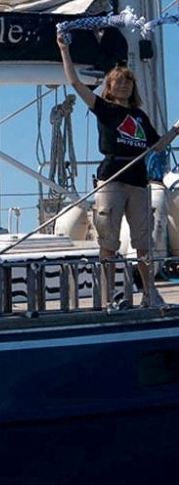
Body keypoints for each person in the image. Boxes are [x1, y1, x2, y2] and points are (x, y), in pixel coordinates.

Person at [57, 35, 177, 307]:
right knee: (108, 243)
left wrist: (176, 130)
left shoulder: (140, 117)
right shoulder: (104, 109)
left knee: (143, 243)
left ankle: (149, 295)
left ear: (133, 86)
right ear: (109, 87)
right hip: (111, 178)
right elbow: (75, 83)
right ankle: (107, 297)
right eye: (117, 81)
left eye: (127, 81)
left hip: (137, 180)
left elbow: (156, 145)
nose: (123, 85)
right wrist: (64, 50)